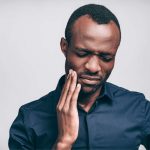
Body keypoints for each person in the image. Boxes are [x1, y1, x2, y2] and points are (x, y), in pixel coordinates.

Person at [9, 4, 150, 150]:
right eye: (82, 53)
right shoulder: (29, 119)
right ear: (64, 46)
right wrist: (64, 142)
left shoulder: (139, 108)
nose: (93, 67)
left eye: (106, 57)